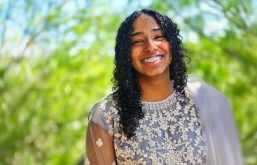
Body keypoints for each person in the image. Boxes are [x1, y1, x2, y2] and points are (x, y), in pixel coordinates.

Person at [85, 9, 243, 165]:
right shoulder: (106, 114)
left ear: (172, 45)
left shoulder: (201, 100)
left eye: (159, 36)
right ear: (125, 53)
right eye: (138, 41)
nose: (151, 46)